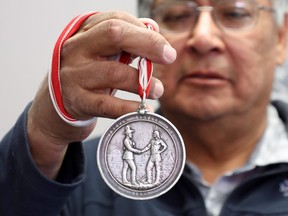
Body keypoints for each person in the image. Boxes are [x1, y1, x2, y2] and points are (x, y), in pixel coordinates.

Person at [1, 0, 288, 215]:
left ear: (281, 38)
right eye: (177, 15)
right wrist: (42, 136)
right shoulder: (75, 179)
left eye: (235, 13)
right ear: (144, 40)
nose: (203, 39)